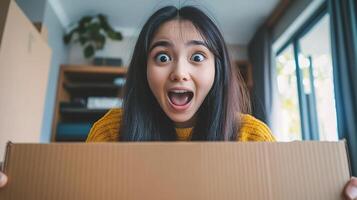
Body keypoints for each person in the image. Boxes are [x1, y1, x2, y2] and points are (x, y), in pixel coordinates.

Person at [0, 5, 356, 199]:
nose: (180, 73)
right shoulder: (111, 131)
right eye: (163, 57)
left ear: (218, 70)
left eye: (198, 57)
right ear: (145, 70)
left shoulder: (251, 136)